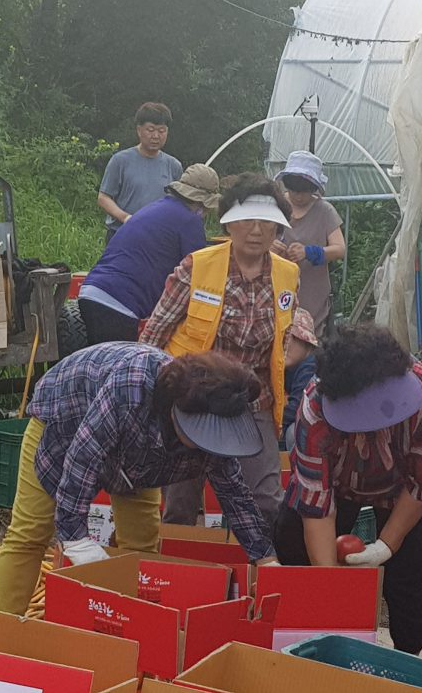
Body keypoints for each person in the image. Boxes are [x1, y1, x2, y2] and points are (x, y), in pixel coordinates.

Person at [0, 342, 279, 616]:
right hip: (67, 422)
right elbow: (82, 458)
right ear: (176, 412)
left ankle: (127, 631)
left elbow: (234, 492)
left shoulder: (216, 418)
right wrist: (75, 537)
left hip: (137, 459)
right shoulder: (131, 387)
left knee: (140, 547)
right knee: (30, 533)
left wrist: (264, 558)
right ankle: (1, 636)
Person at [273, 324, 422, 655]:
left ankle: (407, 657)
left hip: (405, 490)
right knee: (291, 538)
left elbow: (421, 485)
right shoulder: (315, 410)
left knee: (416, 576)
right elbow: (317, 506)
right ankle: (307, 640)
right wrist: (331, 586)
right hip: (341, 486)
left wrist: (385, 546)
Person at [140, 172, 299, 530]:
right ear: (229, 224)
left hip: (252, 399)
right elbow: (153, 335)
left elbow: (284, 340)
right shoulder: (196, 267)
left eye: (266, 222)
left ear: (278, 228)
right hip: (192, 396)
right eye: (246, 221)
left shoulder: (288, 275)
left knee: (264, 499)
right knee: (181, 502)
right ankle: (179, 574)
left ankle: (255, 572)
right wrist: (148, 396)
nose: (256, 230)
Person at [79, 164, 220, 344]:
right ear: (201, 203)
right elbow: (200, 271)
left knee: (101, 366)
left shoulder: (156, 207)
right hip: (119, 302)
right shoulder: (189, 220)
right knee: (118, 369)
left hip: (93, 291)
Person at [272, 151, 345, 336]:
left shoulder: (325, 211)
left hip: (312, 295)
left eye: (305, 191)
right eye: (294, 189)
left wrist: (310, 252)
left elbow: (339, 250)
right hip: (276, 290)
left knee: (307, 341)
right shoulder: (275, 207)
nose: (298, 196)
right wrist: (269, 245)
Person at [98, 102, 182, 245]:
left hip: (158, 238)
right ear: (139, 130)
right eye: (150, 130)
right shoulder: (120, 161)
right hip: (122, 234)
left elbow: (178, 204)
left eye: (161, 131)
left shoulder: (173, 165)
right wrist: (126, 218)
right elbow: (103, 198)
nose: (156, 136)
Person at [280, 308, 317, 452]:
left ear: (305, 342)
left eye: (288, 337)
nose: (282, 345)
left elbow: (298, 406)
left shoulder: (311, 366)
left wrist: (271, 427)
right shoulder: (290, 369)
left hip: (323, 429)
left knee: (293, 433)